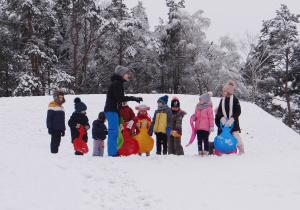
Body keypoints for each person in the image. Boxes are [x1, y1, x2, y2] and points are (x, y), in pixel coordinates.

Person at [104, 65, 143, 157]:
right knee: (113, 132)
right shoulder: (117, 84)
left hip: (113, 111)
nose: (129, 76)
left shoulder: (117, 83)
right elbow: (119, 98)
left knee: (115, 132)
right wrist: (133, 98)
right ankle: (112, 153)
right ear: (122, 74)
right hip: (111, 110)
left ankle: (113, 151)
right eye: (127, 74)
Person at [216, 81, 245, 154]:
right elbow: (219, 111)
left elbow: (238, 111)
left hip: (234, 122)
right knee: (222, 136)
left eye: (225, 91)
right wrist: (222, 117)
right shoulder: (222, 100)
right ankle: (222, 149)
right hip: (224, 123)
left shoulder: (235, 100)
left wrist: (232, 119)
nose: (223, 92)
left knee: (236, 135)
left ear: (229, 92)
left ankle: (241, 148)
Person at [193, 92, 214, 156]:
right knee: (199, 139)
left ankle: (205, 150)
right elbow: (196, 117)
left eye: (201, 100)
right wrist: (194, 118)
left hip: (206, 128)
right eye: (199, 100)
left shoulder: (208, 109)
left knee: (205, 139)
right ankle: (200, 150)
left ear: (205, 101)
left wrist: (211, 126)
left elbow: (211, 118)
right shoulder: (198, 108)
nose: (199, 101)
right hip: (199, 128)